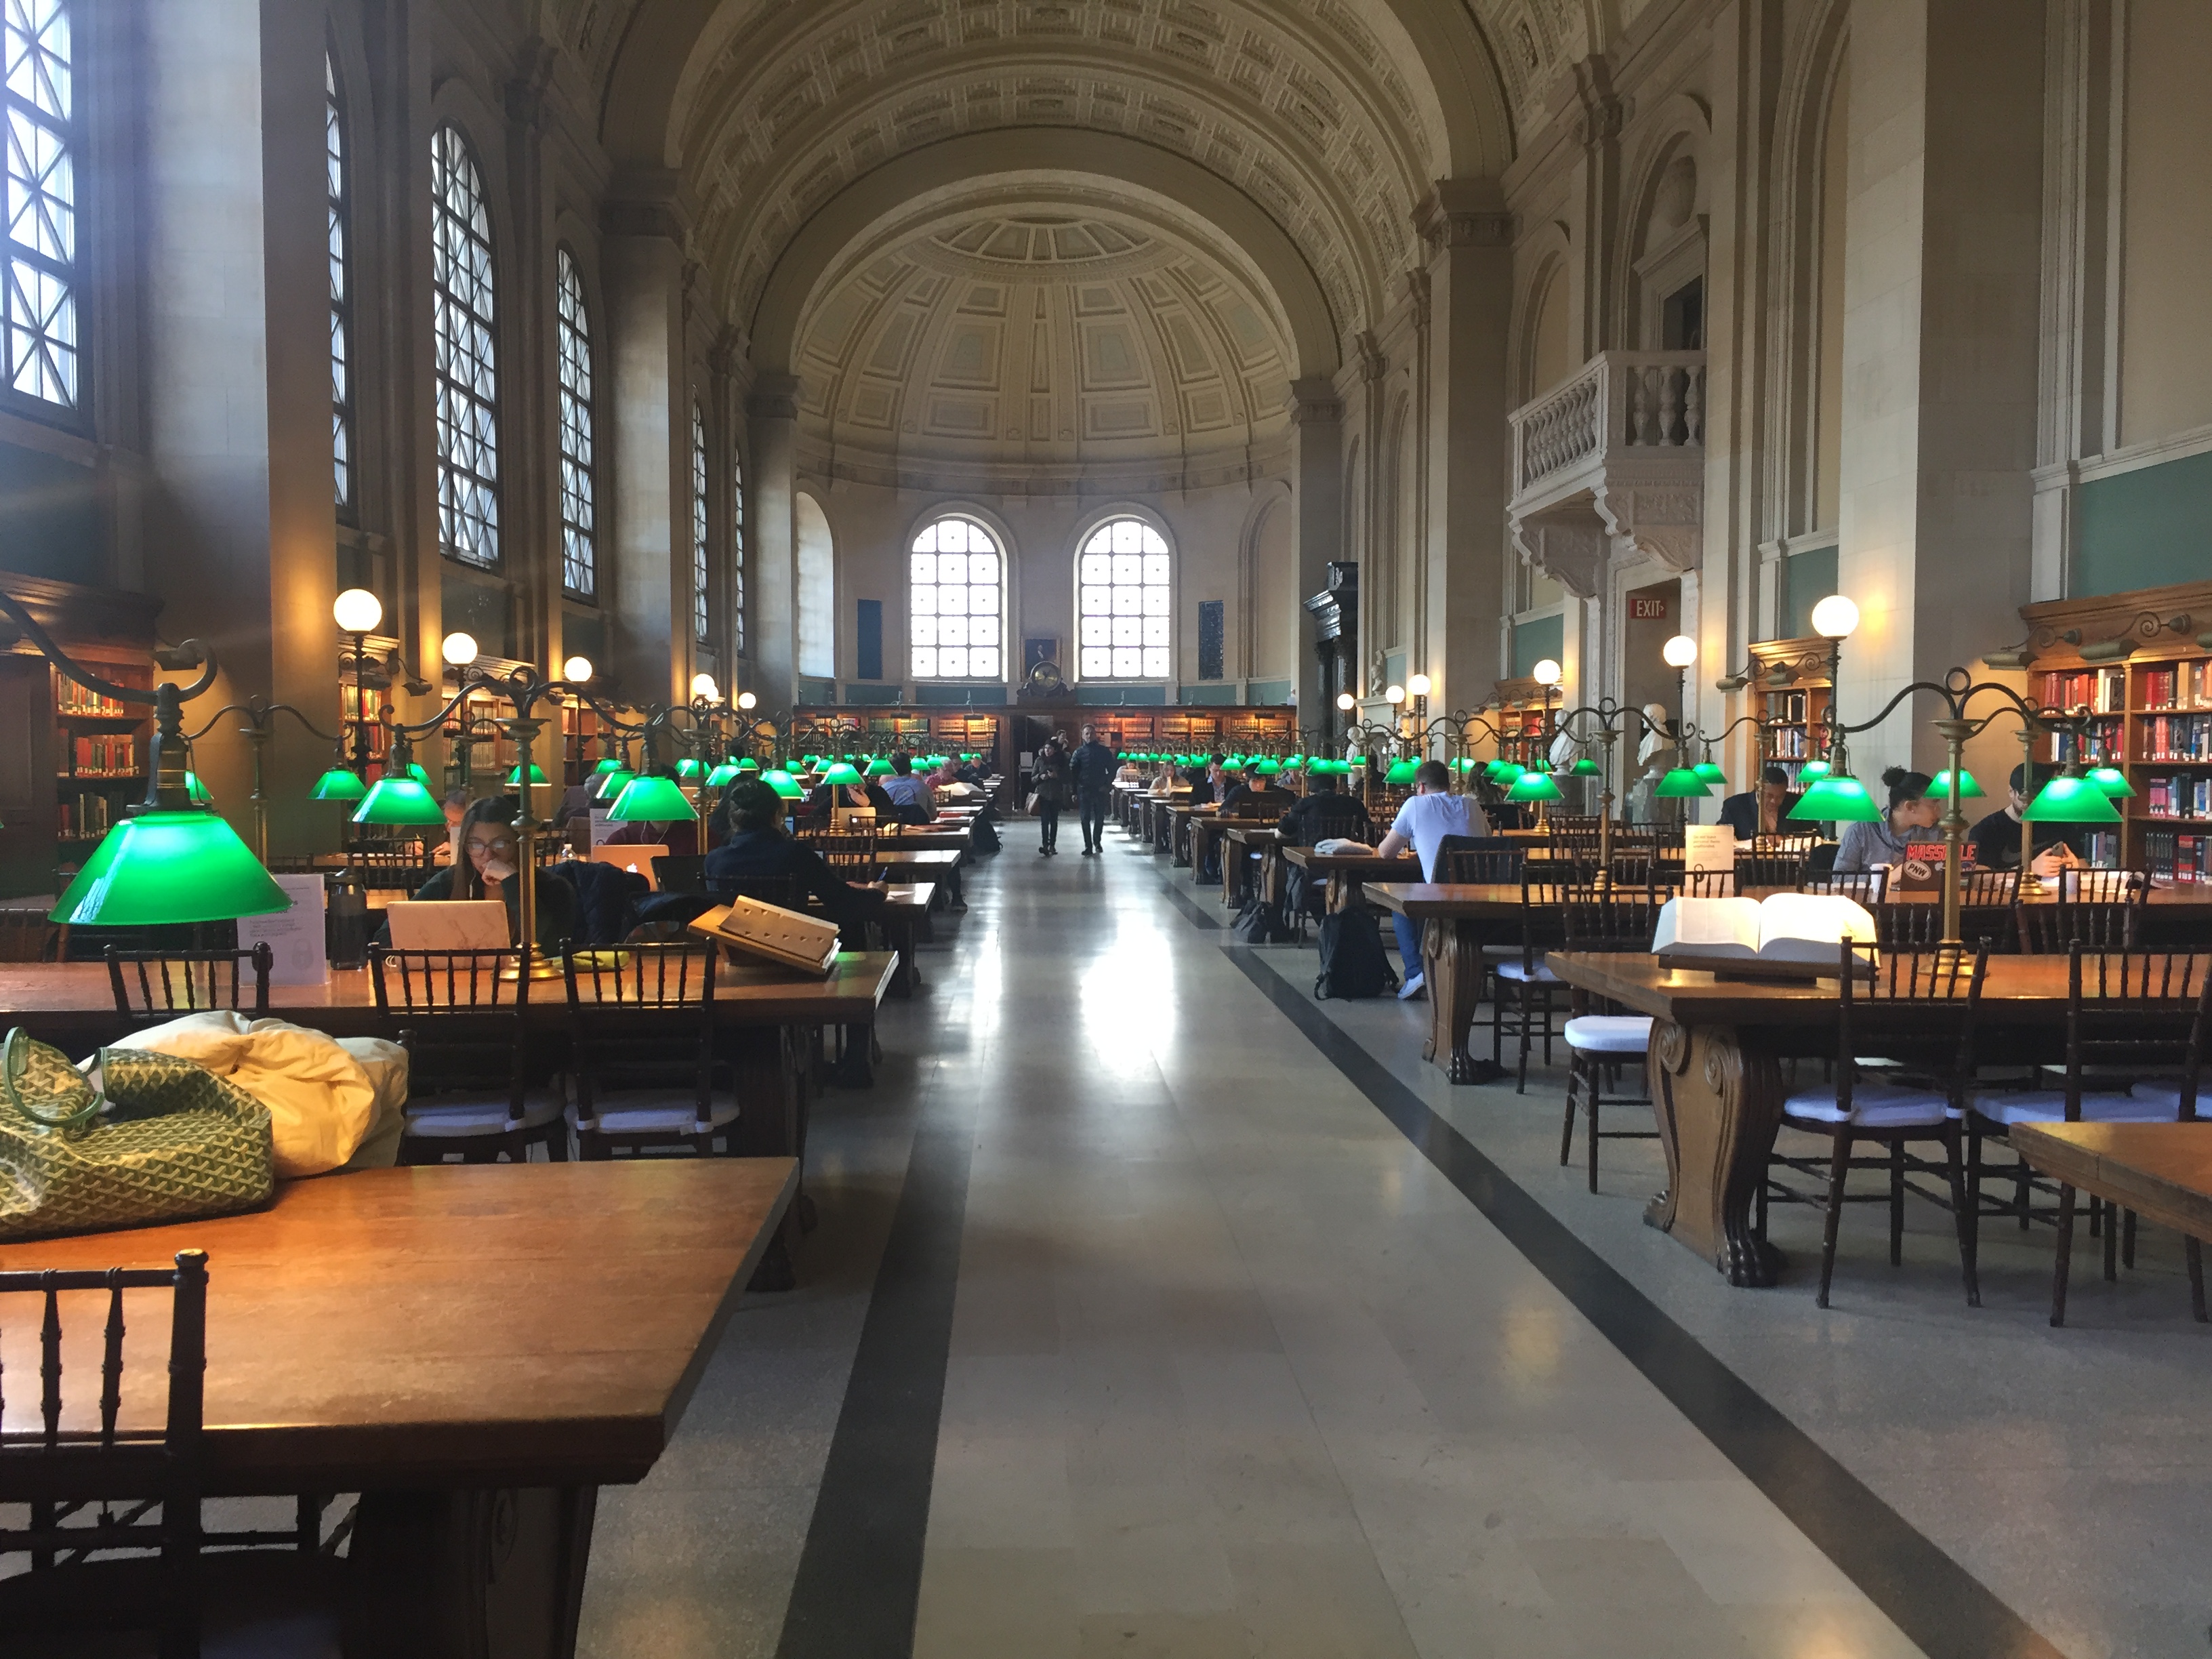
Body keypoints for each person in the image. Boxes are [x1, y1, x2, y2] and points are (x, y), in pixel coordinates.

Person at [396, 795, 578, 952]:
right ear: (465, 847)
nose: (488, 855)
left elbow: (550, 949)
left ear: (518, 843)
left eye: (500, 843)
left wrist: (512, 882)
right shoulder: (448, 882)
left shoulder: (554, 888)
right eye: (476, 844)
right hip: (461, 980)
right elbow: (389, 934)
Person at [707, 777, 877, 945]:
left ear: (733, 819)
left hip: (733, 955)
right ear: (776, 816)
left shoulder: (713, 861)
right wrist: (877, 892)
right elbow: (843, 900)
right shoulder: (796, 854)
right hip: (789, 951)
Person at [1375, 761, 1489, 1000]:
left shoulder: (1415, 805)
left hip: (1440, 895)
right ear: (1448, 785)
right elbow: (1487, 842)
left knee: (1401, 905)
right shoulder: (1472, 805)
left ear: (1421, 787)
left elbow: (1386, 852)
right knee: (1417, 894)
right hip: (1480, 894)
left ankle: (1416, 972)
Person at [1967, 764, 2087, 875]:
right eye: (2027, 798)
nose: (2035, 804)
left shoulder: (2061, 825)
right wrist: (2028, 870)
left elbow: (2085, 871)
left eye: (2041, 797)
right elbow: (1977, 878)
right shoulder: (1986, 831)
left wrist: (2076, 868)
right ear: (2011, 792)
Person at [1833, 766, 1942, 873]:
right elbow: (1839, 877)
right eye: (1934, 805)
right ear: (1910, 806)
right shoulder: (1861, 830)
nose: (1939, 811)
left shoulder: (1935, 833)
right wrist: (1888, 877)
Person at [1068, 722, 1120, 855]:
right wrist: (1074, 791)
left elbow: (1112, 769)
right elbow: (1073, 773)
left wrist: (1107, 785)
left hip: (1100, 789)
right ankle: (1088, 846)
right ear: (1083, 736)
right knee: (1084, 819)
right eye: (1086, 734)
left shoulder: (1104, 751)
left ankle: (1097, 841)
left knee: (1099, 818)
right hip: (1084, 789)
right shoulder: (1078, 753)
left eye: (1091, 733)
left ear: (1095, 735)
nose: (1089, 736)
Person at [1718, 766, 1801, 840]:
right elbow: (1722, 837)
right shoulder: (1734, 805)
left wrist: (1785, 839)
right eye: (1769, 796)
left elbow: (1806, 834)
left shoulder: (1797, 804)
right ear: (1758, 789)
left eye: (1780, 796)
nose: (1774, 801)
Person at [1031, 736, 1070, 854]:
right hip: (1042, 795)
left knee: (1054, 821)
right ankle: (1045, 845)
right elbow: (1033, 778)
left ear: (1055, 750)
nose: (1047, 751)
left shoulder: (1061, 761)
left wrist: (1056, 776)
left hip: (1056, 794)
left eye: (1050, 748)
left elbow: (1067, 777)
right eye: (1046, 748)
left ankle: (1052, 845)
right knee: (1044, 821)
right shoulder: (1039, 760)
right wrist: (1040, 776)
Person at [879, 753, 936, 823]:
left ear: (892, 770)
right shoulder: (924, 787)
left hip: (893, 829)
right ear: (911, 768)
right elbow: (933, 816)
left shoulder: (884, 789)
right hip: (920, 829)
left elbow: (881, 817)